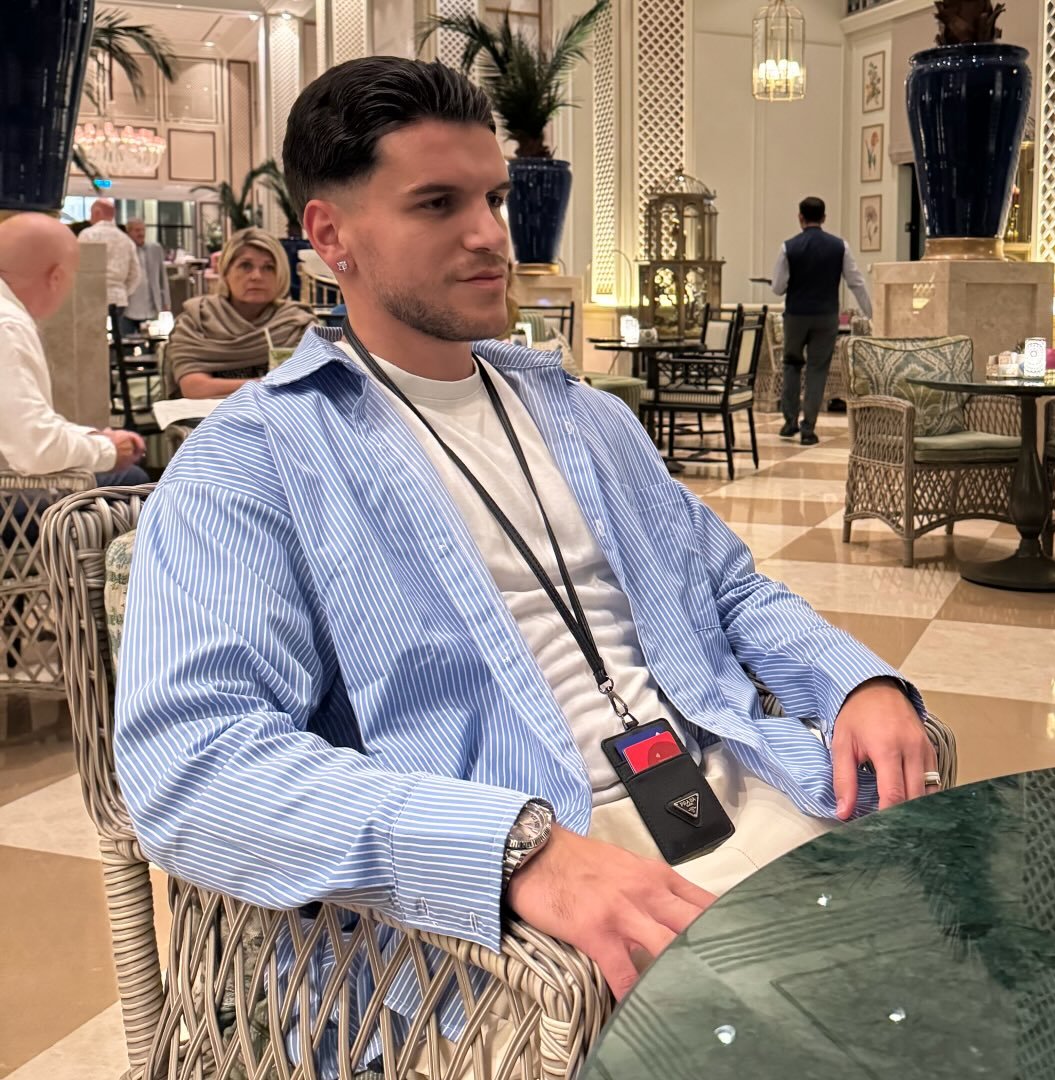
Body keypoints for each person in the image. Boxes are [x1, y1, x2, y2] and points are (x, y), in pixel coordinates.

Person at [114, 58, 939, 1070]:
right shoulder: (255, 464)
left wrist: (852, 680)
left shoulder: (582, 414)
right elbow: (191, 763)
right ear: (329, 237)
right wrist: (513, 850)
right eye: (437, 204)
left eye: (495, 199)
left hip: (738, 789)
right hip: (504, 931)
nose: (489, 235)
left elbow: (727, 589)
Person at [0, 212, 148, 486]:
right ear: (56, 277)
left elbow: (28, 426)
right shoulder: (7, 325)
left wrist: (95, 439)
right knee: (131, 481)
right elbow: (36, 449)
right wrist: (109, 450)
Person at [163, 227, 315, 398]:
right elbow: (195, 388)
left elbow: (309, 384)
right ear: (226, 272)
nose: (256, 276)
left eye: (268, 267)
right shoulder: (197, 320)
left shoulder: (297, 323)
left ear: (281, 274)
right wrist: (269, 384)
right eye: (245, 266)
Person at [771, 196, 873, 445]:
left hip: (796, 315)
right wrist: (872, 313)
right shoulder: (840, 247)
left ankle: (789, 421)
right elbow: (856, 282)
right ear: (824, 218)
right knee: (817, 370)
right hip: (826, 316)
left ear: (800, 217)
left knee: (791, 365)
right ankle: (809, 428)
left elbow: (777, 287)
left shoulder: (788, 247)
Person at [77, 198, 142, 324]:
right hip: (118, 298)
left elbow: (79, 267)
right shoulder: (126, 240)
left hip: (92, 297)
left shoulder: (88, 235)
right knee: (116, 333)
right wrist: (123, 291)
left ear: (97, 212)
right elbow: (135, 274)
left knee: (93, 334)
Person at [120, 218, 170, 337]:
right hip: (128, 309)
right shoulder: (123, 250)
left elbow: (162, 277)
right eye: (137, 230)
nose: (141, 233)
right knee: (126, 342)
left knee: (151, 343)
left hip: (150, 308)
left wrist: (166, 301)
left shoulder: (155, 249)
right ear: (128, 232)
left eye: (143, 230)